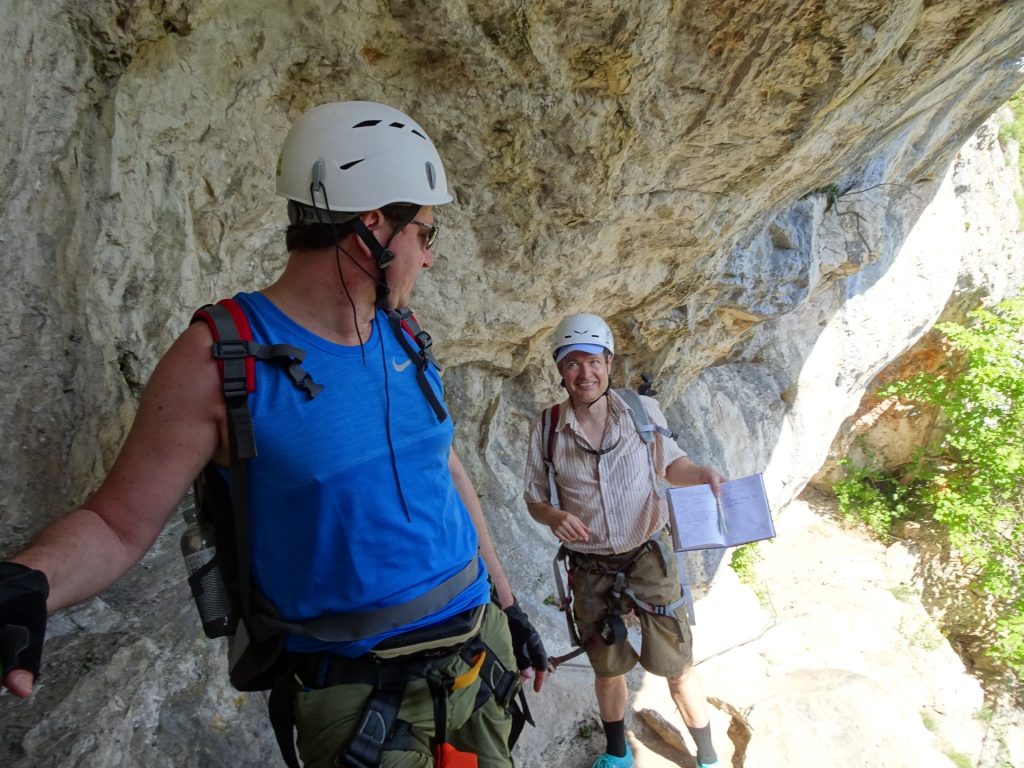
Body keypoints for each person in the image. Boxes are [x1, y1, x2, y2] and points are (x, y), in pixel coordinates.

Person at [0, 101, 548, 768]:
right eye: (425, 235)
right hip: (361, 702)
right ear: (371, 223)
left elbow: (447, 469)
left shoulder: (401, 331)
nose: (428, 260)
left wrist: (510, 606)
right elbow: (116, 525)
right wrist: (29, 582)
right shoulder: (220, 358)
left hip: (478, 657)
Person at [523, 313, 723, 768]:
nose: (584, 374)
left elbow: (673, 466)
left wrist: (701, 475)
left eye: (593, 362)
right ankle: (617, 754)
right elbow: (535, 498)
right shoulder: (549, 427)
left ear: (609, 363)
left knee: (676, 663)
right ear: (559, 369)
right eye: (572, 363)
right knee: (607, 665)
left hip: (648, 551)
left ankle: (707, 756)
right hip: (590, 564)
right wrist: (554, 515)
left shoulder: (641, 411)